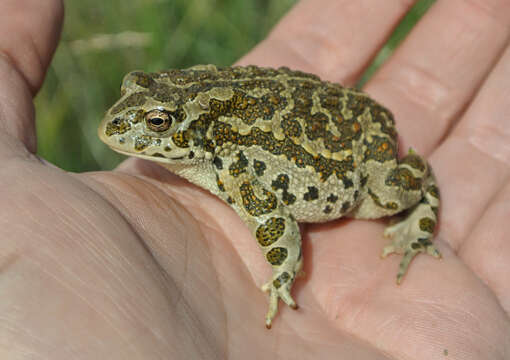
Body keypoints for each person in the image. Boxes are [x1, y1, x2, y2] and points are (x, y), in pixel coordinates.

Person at [1, 0, 509, 358]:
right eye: (148, 111)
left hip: (356, 149)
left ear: (196, 133)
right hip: (312, 109)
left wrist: (281, 273)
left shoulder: (232, 161)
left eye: (157, 124)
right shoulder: (213, 149)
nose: (124, 126)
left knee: (392, 193)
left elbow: (273, 218)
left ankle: (424, 203)